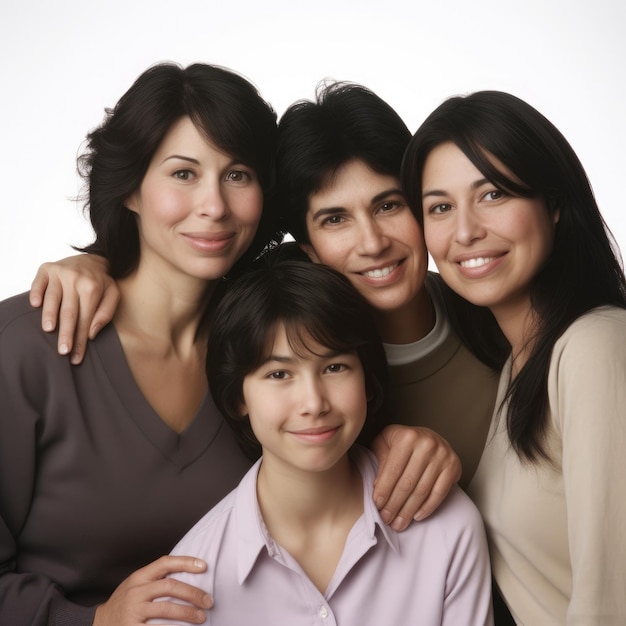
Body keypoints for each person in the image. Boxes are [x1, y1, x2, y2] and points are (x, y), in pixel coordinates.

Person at [1, 63, 458, 625]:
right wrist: (93, 622)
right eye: (183, 174)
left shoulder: (268, 336)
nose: (214, 205)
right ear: (130, 190)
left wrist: (395, 442)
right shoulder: (24, 349)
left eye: (238, 174)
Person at [150, 255, 494, 625]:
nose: (314, 403)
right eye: (280, 374)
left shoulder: (446, 528)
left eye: (334, 367)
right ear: (237, 398)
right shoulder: (189, 584)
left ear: (367, 380)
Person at [402, 90, 626, 624]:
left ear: (552, 202)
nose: (464, 231)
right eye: (440, 207)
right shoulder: (514, 367)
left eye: (493, 194)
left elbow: (610, 603)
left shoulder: (596, 345)